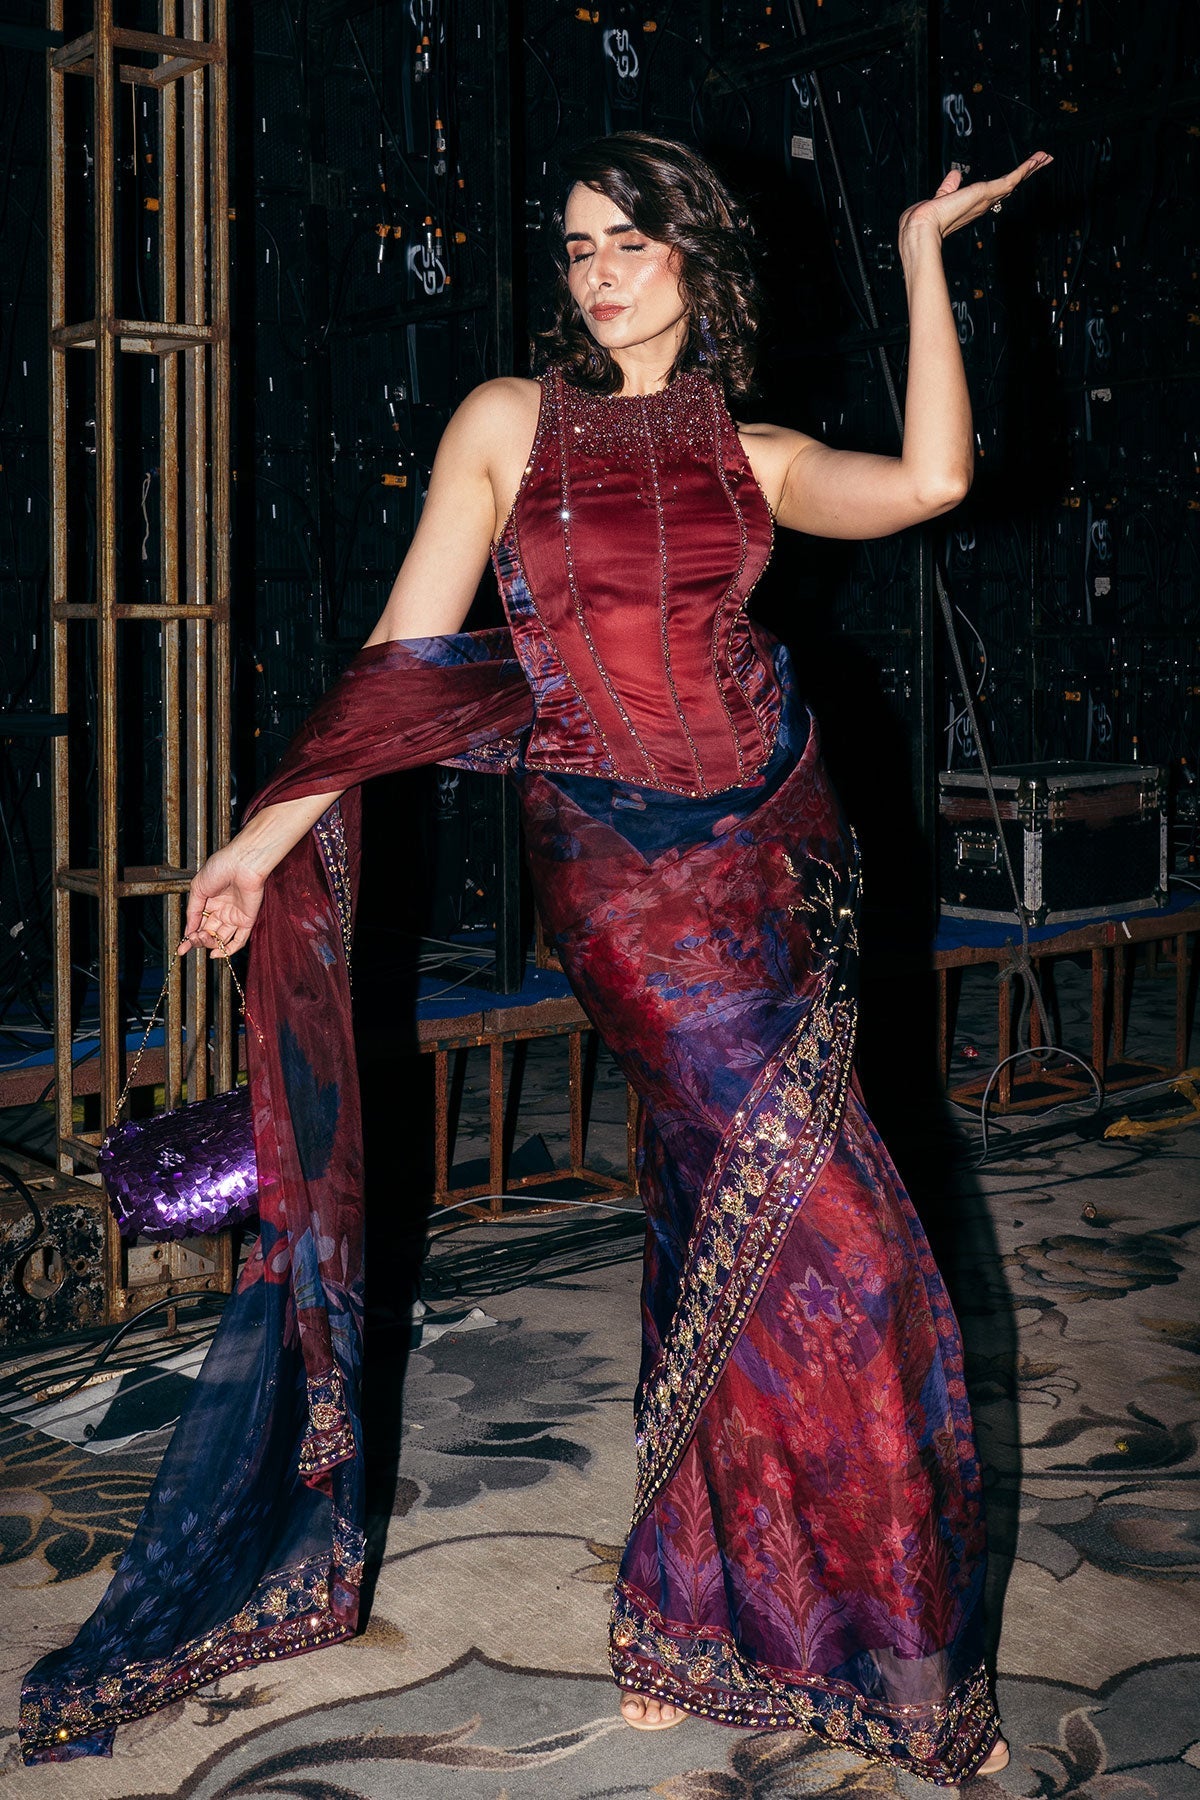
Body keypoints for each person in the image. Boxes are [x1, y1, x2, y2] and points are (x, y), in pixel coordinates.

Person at [21, 132, 1050, 1777]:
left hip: (774, 861)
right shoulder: (509, 421)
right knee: (846, 1244)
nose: (598, 273)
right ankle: (895, 1669)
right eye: (576, 247)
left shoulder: (757, 453)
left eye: (629, 240)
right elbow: (403, 653)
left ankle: (689, 1614)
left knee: (725, 1222)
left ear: (697, 254)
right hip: (616, 876)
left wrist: (923, 255)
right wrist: (260, 841)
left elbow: (931, 483)